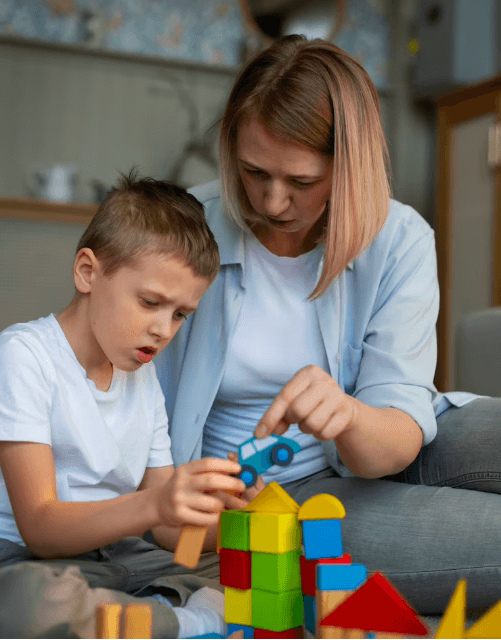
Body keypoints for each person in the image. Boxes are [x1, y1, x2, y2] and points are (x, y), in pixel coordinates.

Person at [155, 34, 501, 617]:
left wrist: (347, 414)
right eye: (252, 172)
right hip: (282, 501)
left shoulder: (399, 238)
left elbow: (395, 435)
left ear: (350, 168)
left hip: (385, 439)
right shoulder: (183, 229)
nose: (270, 201)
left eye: (302, 182)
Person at [0, 171, 258, 640]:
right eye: (150, 302)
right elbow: (39, 526)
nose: (164, 330)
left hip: (119, 557)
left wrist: (231, 519)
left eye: (180, 314)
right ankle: (179, 619)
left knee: (244, 573)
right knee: (28, 603)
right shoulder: (24, 355)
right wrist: (154, 504)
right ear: (87, 272)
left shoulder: (143, 377)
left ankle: (146, 617)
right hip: (32, 558)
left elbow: (167, 533)